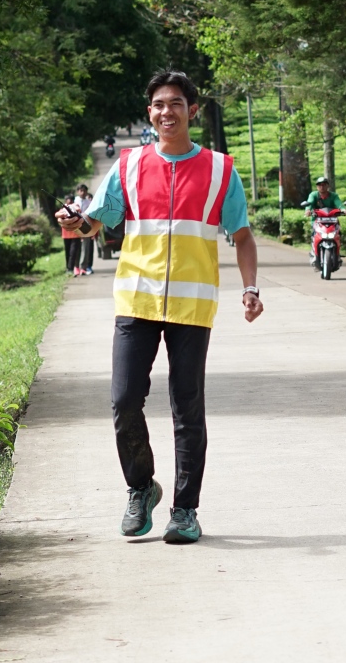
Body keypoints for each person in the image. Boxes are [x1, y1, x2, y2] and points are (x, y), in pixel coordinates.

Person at [86, 69, 263, 543]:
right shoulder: (128, 166)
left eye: (176, 104)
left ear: (192, 111)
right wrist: (75, 221)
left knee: (187, 408)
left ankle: (185, 510)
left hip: (191, 307)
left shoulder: (220, 170)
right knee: (124, 400)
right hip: (136, 300)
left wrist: (251, 288)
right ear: (150, 113)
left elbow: (243, 236)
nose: (167, 112)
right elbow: (94, 222)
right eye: (159, 104)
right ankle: (141, 487)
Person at [304, 174, 343, 262]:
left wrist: (343, 210)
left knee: (339, 233)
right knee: (314, 234)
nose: (322, 187)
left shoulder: (333, 196)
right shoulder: (314, 195)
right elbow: (309, 203)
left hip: (332, 221)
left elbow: (339, 204)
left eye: (324, 184)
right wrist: (308, 210)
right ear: (317, 187)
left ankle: (338, 252)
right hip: (318, 221)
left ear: (328, 186)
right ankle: (314, 251)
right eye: (319, 185)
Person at [55, 188, 86, 276]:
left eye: (70, 201)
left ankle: (70, 269)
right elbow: (58, 215)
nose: (68, 203)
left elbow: (78, 209)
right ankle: (68, 268)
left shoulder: (75, 207)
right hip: (66, 235)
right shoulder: (62, 209)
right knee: (67, 252)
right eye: (67, 201)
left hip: (75, 234)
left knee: (73, 252)